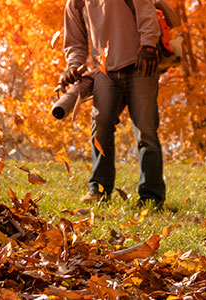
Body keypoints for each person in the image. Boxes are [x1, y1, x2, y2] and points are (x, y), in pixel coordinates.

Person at [59, 0, 166, 208]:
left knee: (146, 131)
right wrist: (73, 66)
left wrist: (148, 45)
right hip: (105, 72)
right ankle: (99, 189)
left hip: (140, 64)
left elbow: (146, 11)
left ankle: (151, 197)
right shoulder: (76, 3)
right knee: (100, 126)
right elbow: (74, 43)